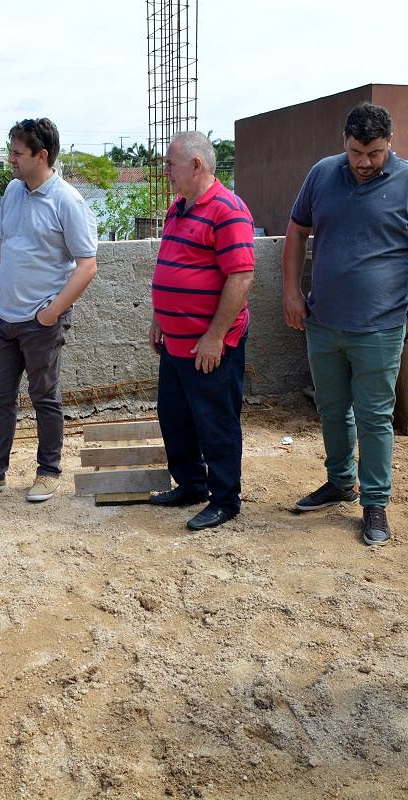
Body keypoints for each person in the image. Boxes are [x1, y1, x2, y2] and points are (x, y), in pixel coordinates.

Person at [281, 102, 408, 546]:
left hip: (381, 325)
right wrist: (293, 291)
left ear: (389, 143)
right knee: (332, 408)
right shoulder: (322, 174)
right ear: (345, 142)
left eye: (373, 153)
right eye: (356, 151)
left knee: (374, 416)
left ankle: (375, 501)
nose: (363, 162)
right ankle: (340, 482)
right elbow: (296, 231)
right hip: (324, 321)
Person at [0, 118, 97, 502]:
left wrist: (51, 313)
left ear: (41, 156)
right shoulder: (14, 191)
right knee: (0, 396)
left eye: (17, 153)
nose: (10, 159)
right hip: (7, 318)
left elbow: (87, 265)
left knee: (44, 396)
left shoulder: (67, 200)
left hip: (41, 319)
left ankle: (48, 471)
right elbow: (6, 250)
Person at [148, 132, 255, 530]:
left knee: (215, 420)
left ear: (196, 165)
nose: (166, 172)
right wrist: (160, 316)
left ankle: (225, 498)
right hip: (176, 341)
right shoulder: (179, 208)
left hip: (210, 344)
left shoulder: (228, 210)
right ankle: (192, 484)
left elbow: (241, 276)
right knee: (175, 416)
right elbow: (171, 264)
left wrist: (214, 336)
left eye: (171, 164)